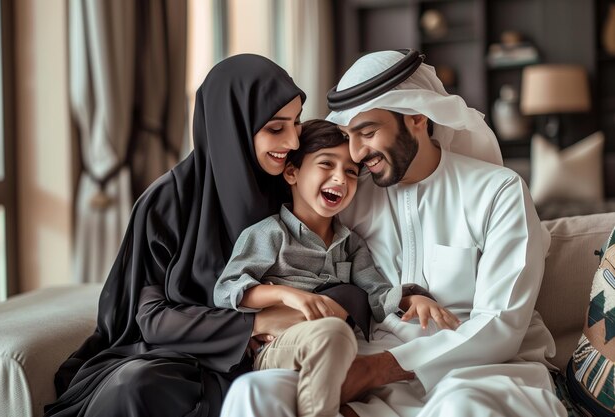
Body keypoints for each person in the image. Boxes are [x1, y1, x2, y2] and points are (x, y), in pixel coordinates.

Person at [221, 49, 568, 417]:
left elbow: (502, 326)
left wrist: (378, 368)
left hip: (479, 372)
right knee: (255, 391)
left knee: (460, 408)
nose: (356, 153)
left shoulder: (498, 191)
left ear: (417, 117)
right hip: (365, 362)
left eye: (367, 133)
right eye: (349, 135)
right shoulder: (352, 196)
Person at [43, 54, 313, 417]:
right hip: (177, 354)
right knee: (137, 387)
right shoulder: (166, 202)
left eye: (296, 123)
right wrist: (254, 323)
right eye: (276, 128)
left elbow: (334, 262)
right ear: (229, 125)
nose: (294, 142)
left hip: (275, 354)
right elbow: (152, 319)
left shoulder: (293, 188)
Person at [213, 119, 459, 417]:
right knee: (334, 335)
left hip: (333, 350)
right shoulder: (269, 234)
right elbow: (227, 289)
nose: (340, 179)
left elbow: (376, 294)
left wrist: (411, 298)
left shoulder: (351, 243)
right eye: (326, 164)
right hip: (280, 348)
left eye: (351, 172)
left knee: (339, 341)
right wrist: (287, 295)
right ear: (292, 172)